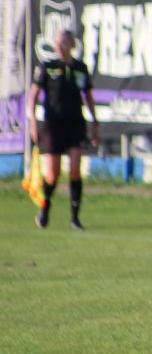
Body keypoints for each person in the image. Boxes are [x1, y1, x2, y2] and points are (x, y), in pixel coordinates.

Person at [27, 31, 99, 230]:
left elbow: (88, 98)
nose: (59, 46)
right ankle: (44, 210)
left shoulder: (80, 68)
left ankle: (75, 219)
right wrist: (33, 122)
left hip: (75, 124)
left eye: (64, 43)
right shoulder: (47, 67)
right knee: (53, 174)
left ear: (72, 45)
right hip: (53, 126)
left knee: (75, 170)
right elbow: (33, 97)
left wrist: (95, 123)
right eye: (57, 43)